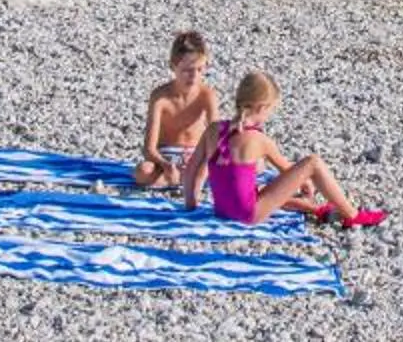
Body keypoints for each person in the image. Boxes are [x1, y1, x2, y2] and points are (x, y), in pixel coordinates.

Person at [183, 71, 380, 227]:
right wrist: (307, 185)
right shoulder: (260, 140)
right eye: (270, 110)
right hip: (248, 215)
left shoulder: (212, 129)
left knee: (256, 189)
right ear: (261, 108)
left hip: (222, 210)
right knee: (313, 162)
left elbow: (191, 169)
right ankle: (352, 215)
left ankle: (317, 209)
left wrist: (191, 205)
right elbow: (289, 171)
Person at [133, 32, 219, 190]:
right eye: (187, 70)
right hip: (166, 155)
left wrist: (204, 161)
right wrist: (167, 165)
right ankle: (182, 179)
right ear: (173, 66)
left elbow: (216, 139)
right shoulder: (160, 97)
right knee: (143, 171)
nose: (194, 76)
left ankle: (178, 180)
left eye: (200, 70)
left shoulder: (207, 96)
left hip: (196, 154)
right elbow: (149, 148)